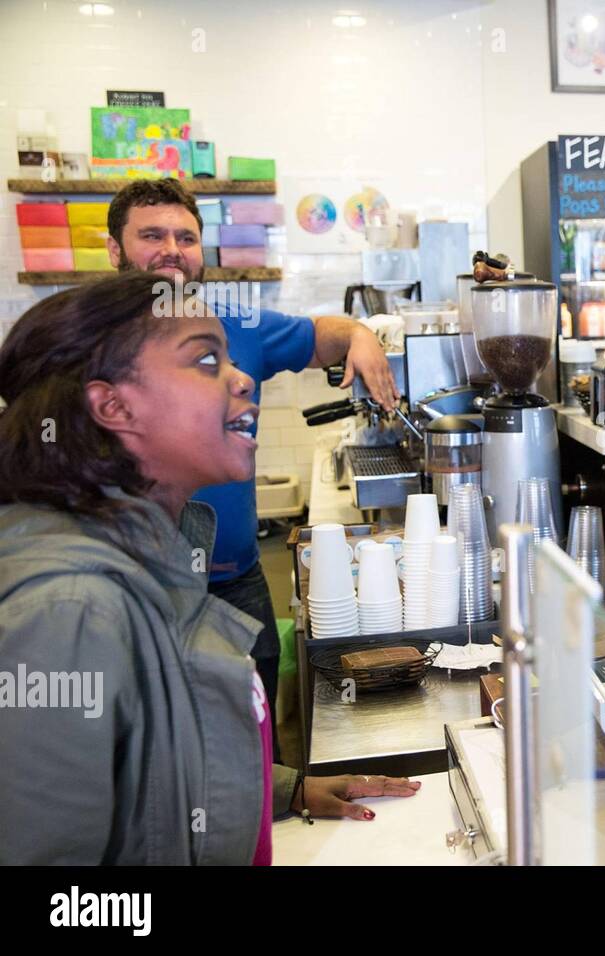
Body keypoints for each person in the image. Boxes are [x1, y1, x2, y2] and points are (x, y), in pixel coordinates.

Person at [0, 275, 419, 864]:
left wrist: (281, 789)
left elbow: (145, 771)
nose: (242, 377)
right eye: (205, 360)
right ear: (113, 405)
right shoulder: (66, 612)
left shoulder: (155, 557)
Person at [105, 178, 400, 752]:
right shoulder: (84, 338)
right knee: (154, 747)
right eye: (151, 235)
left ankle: (266, 819)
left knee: (252, 741)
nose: (171, 248)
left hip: (234, 578)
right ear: (115, 249)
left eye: (185, 237)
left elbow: (321, 336)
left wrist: (361, 334)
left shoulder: (238, 323)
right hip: (132, 586)